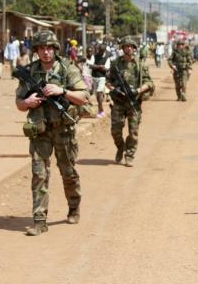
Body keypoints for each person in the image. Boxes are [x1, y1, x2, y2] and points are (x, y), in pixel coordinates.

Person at [14, 30, 90, 236]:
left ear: (55, 49)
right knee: (39, 174)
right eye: (41, 48)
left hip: (63, 130)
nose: (46, 52)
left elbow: (84, 97)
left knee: (68, 172)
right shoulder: (30, 72)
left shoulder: (68, 69)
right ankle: (39, 220)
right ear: (37, 50)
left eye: (49, 48)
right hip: (40, 131)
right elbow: (19, 103)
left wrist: (62, 91)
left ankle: (74, 206)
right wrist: (26, 102)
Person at [106, 36, 154, 167]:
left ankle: (129, 154)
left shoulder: (140, 64)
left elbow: (149, 82)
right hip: (119, 102)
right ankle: (121, 147)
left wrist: (137, 91)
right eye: (126, 46)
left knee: (133, 132)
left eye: (131, 46)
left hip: (134, 103)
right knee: (115, 131)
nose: (128, 48)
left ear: (134, 48)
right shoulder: (115, 64)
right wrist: (114, 90)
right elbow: (108, 81)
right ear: (123, 48)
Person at [90, 44, 110, 118]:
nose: (101, 52)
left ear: (104, 50)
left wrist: (96, 66)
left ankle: (100, 110)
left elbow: (107, 69)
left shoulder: (107, 58)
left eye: (102, 51)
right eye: (100, 50)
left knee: (99, 92)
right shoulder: (94, 56)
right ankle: (101, 108)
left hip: (102, 77)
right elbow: (91, 66)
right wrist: (100, 66)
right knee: (97, 95)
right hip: (94, 77)